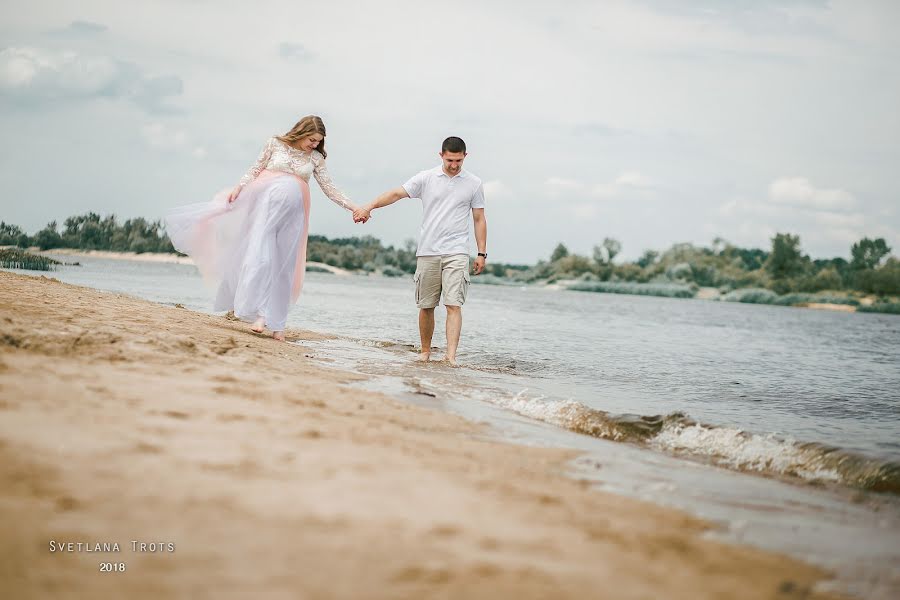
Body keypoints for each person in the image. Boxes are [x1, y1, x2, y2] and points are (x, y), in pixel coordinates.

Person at [166, 115, 363, 341]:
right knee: (261, 259)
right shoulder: (275, 144)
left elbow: (330, 189)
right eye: (312, 139)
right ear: (301, 132)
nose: (314, 144)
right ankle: (259, 315)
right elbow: (255, 169)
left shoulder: (316, 158)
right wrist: (239, 188)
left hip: (294, 216)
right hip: (264, 210)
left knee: (284, 265)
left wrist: (354, 208)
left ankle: (278, 324)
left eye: (318, 141)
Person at [353, 136, 487, 365]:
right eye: (449, 160)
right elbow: (397, 193)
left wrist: (481, 253)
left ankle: (450, 357)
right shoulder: (426, 178)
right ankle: (425, 352)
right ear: (441, 155)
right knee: (426, 306)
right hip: (428, 250)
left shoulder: (474, 183)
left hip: (457, 251)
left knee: (453, 304)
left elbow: (478, 218)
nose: (454, 165)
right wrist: (369, 206)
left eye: (458, 160)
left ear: (466, 156)